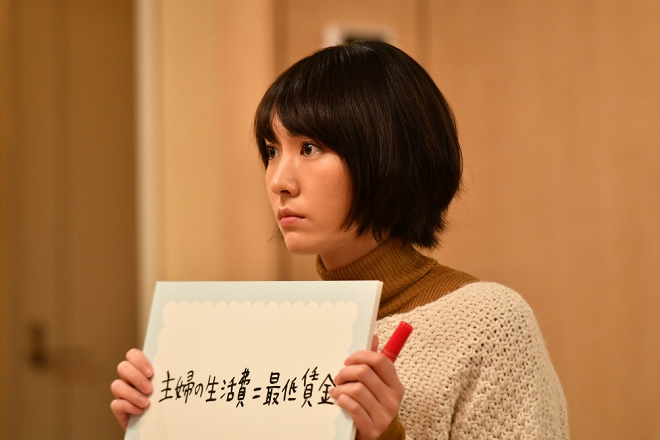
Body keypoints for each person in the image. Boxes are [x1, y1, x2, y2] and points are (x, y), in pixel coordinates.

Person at [111, 41, 569, 439]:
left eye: (309, 148)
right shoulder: (284, 333)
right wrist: (163, 421)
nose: (279, 181)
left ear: (389, 154)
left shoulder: (490, 323)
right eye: (272, 151)